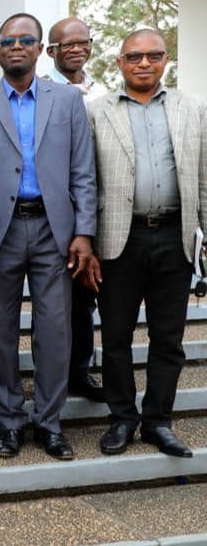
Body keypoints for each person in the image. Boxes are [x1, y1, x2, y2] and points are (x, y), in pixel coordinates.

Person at [0, 13, 96, 462]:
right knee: (0, 330)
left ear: (41, 49)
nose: (16, 47)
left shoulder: (67, 101)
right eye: (7, 41)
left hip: (52, 230)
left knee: (55, 329)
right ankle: (9, 420)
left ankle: (49, 421)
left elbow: (83, 170)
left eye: (26, 40)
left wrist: (84, 232)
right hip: (0, 231)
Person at [83, 29, 205, 459]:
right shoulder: (96, 112)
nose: (143, 63)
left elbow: (203, 179)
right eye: (134, 56)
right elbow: (85, 182)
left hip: (174, 238)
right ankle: (122, 419)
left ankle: (157, 421)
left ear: (165, 60)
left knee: (167, 338)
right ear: (119, 62)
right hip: (119, 239)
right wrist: (87, 243)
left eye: (153, 55)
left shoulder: (192, 109)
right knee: (115, 335)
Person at [44, 16, 107, 404]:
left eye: (83, 42)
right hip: (57, 213)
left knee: (85, 301)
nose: (76, 49)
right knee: (56, 306)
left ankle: (80, 373)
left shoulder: (104, 92)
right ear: (51, 52)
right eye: (67, 44)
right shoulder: (43, 92)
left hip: (100, 208)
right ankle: (54, 377)